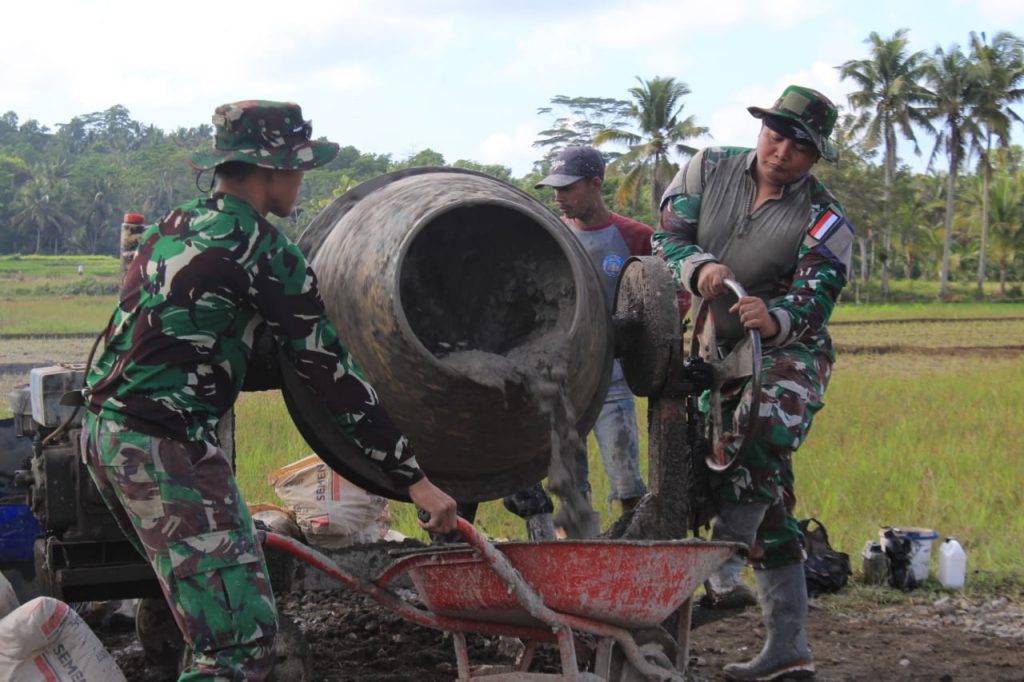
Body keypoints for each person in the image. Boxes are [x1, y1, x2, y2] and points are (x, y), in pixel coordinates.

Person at [79, 100, 457, 681]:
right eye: (299, 167)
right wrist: (416, 481)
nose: (302, 179)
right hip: (166, 449)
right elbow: (329, 375)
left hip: (105, 434)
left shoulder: (172, 226)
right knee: (238, 648)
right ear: (271, 170)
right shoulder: (265, 251)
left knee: (196, 602)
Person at [654, 85, 853, 681]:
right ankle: (788, 648)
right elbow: (666, 239)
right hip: (720, 351)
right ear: (763, 127)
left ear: (814, 157)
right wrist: (698, 267)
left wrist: (778, 317)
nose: (783, 150)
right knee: (770, 500)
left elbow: (818, 298)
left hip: (790, 353)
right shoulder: (705, 169)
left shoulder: (826, 218)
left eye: (800, 145)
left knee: (763, 429)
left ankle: (723, 555)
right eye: (777, 133)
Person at [531, 146, 665, 516]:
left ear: (595, 184)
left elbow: (665, 301)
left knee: (627, 482)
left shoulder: (637, 237)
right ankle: (572, 558)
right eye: (554, 189)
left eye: (568, 188)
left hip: (613, 377)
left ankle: (634, 549)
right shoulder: (551, 234)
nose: (559, 197)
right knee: (568, 486)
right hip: (562, 378)